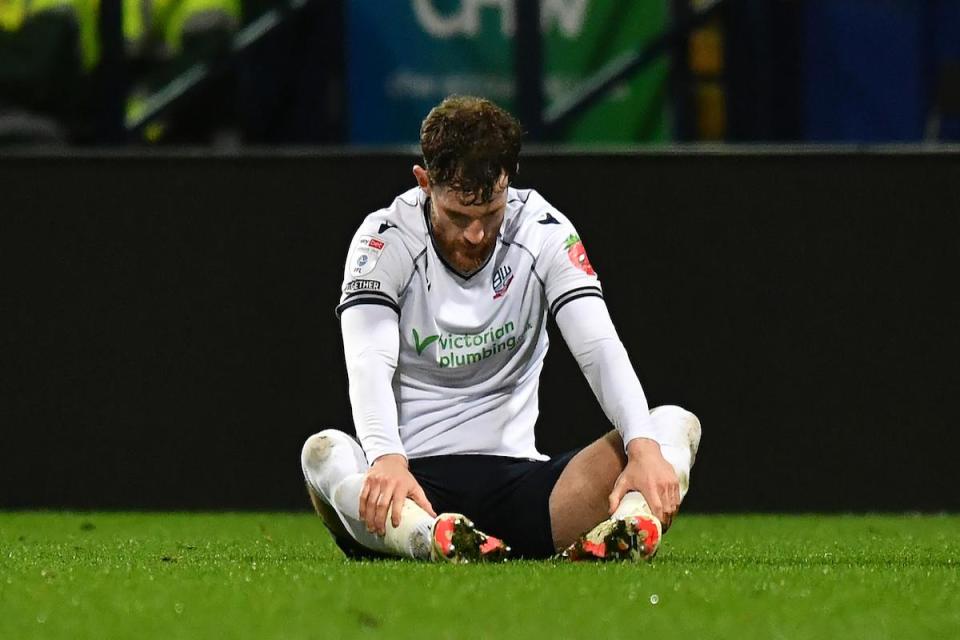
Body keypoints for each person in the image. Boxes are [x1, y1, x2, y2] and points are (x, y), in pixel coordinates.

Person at [301, 95, 701, 562]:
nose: (475, 235)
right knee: (322, 453)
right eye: (458, 217)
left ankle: (629, 526)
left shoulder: (543, 231)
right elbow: (368, 359)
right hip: (412, 486)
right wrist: (387, 456)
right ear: (424, 182)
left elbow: (598, 347)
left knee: (671, 424)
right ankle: (429, 539)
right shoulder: (383, 240)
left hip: (527, 494)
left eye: (490, 214)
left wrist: (642, 448)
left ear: (509, 183)